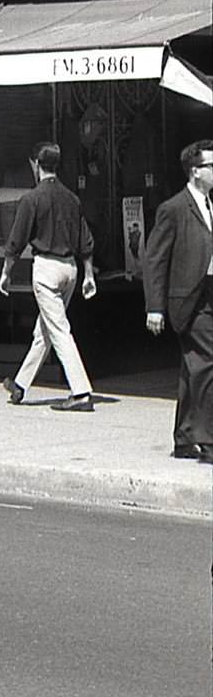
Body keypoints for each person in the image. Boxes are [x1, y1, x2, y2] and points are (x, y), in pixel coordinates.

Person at [0, 141, 96, 412]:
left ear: (36, 165)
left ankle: (81, 392)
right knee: (45, 330)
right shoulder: (72, 198)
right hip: (71, 269)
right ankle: (20, 384)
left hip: (46, 269)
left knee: (59, 330)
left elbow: (16, 241)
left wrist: (5, 273)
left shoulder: (32, 198)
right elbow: (86, 241)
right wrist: (89, 274)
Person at [141, 141, 213, 463]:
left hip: (209, 297)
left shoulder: (210, 205)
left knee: (194, 366)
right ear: (196, 171)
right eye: (212, 166)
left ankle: (185, 438)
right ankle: (208, 441)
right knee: (207, 364)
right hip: (188, 301)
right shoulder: (173, 208)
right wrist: (154, 307)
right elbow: (154, 259)